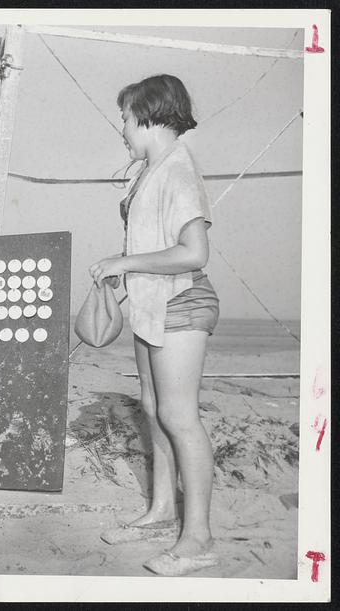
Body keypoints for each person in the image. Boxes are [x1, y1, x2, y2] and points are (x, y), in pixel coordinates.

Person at [89, 75, 220, 577]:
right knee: (153, 408)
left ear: (150, 115)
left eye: (125, 117)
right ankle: (163, 512)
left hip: (182, 304)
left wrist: (122, 264)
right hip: (152, 306)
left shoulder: (179, 166)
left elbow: (194, 253)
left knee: (180, 416)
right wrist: (122, 274)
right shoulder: (152, 168)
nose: (121, 127)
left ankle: (199, 538)